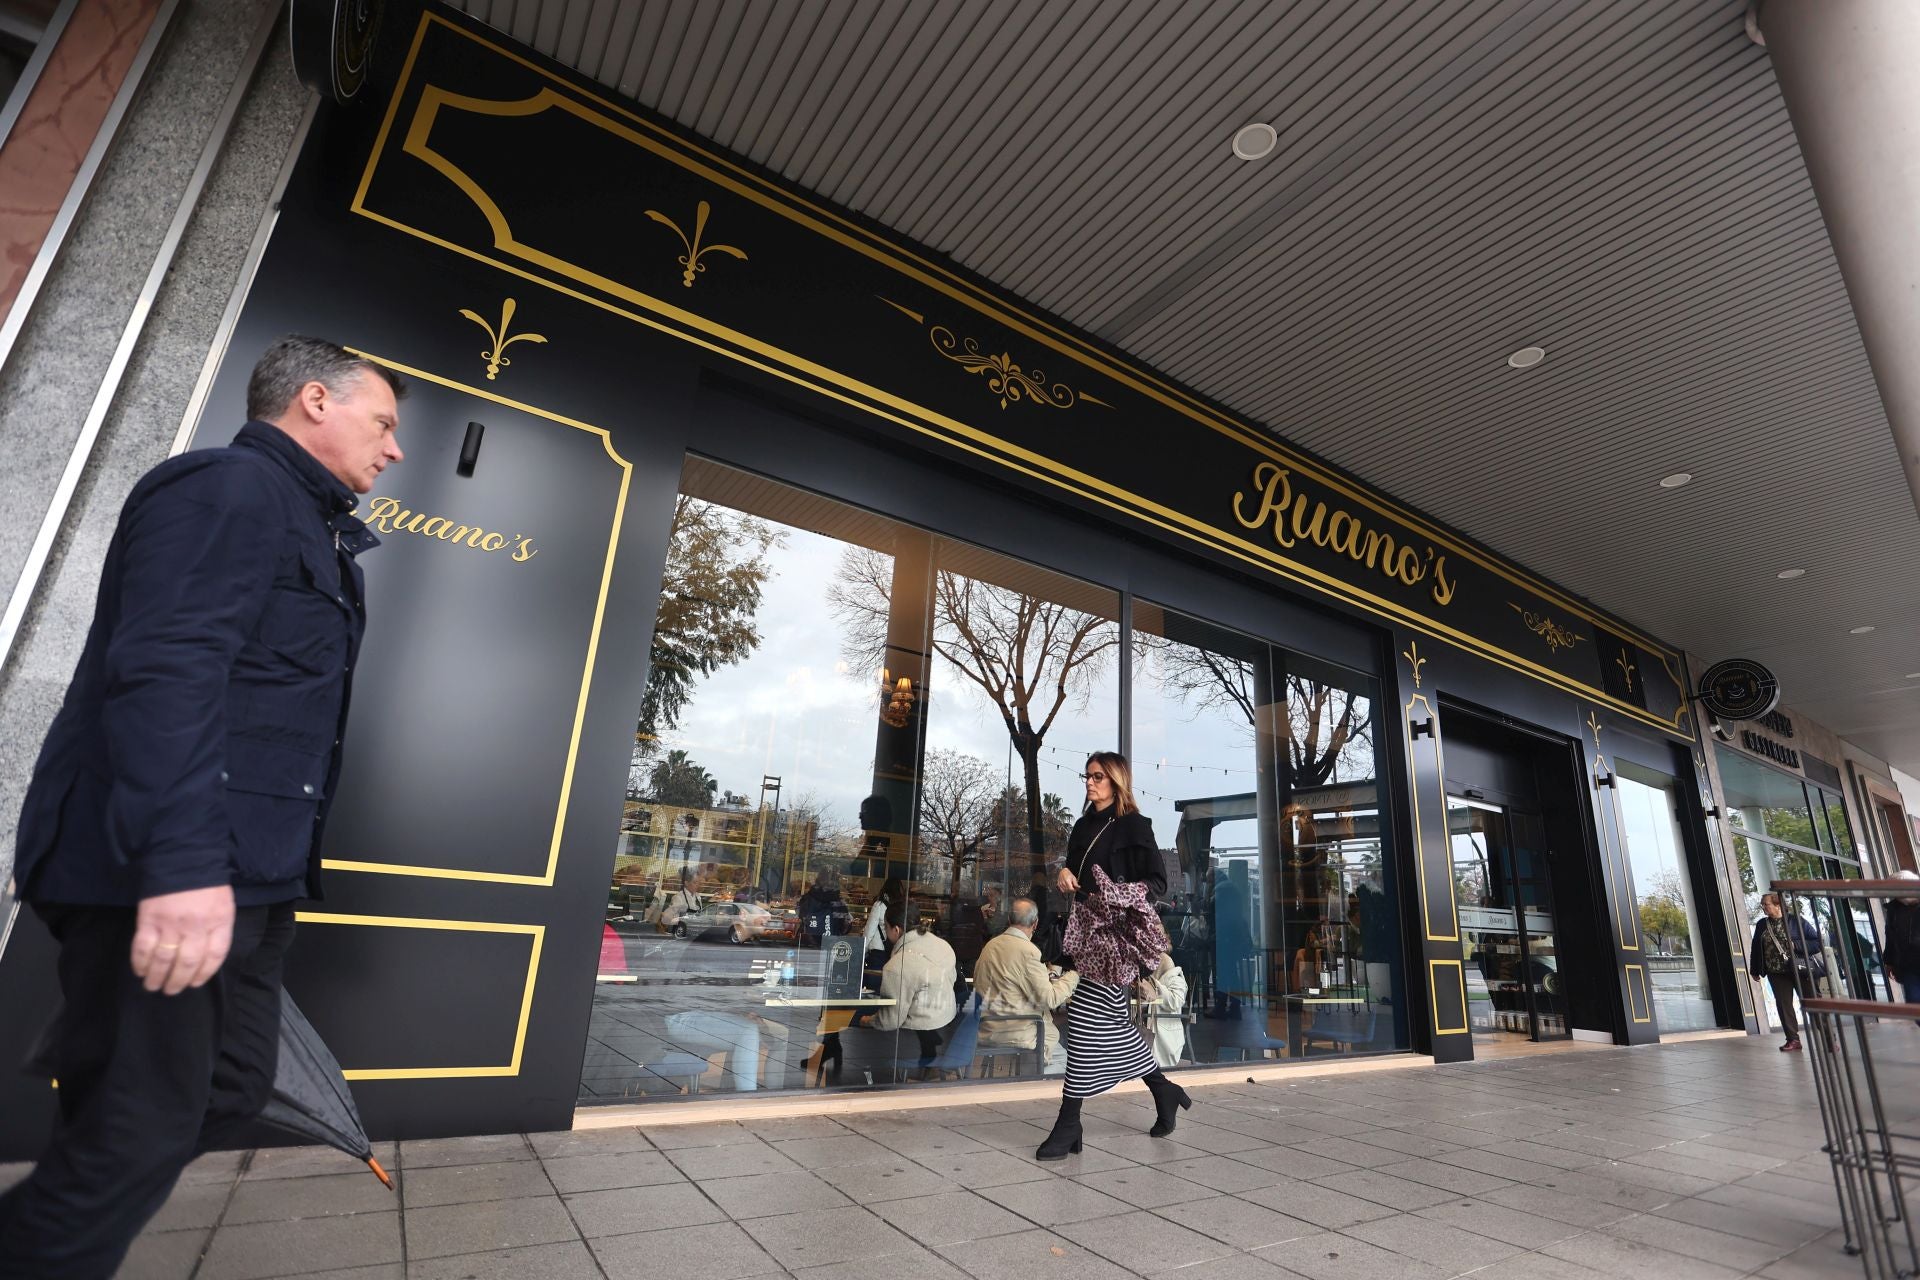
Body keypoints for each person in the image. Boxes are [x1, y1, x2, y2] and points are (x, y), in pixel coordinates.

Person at [0, 337, 404, 1277]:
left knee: (220, 1091)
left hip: (255, 875)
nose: (392, 449)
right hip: (183, 866)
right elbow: (168, 673)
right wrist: (181, 867)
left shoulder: (312, 526)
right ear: (314, 400)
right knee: (140, 1127)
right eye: (382, 423)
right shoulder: (225, 489)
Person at [1038, 751, 1189, 1160]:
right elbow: (1073, 871)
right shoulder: (1083, 825)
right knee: (1110, 1021)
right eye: (1087, 776)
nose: (1090, 783)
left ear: (1117, 781)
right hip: (1086, 932)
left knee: (1086, 1019)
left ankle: (1069, 1122)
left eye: (1099, 776)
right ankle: (1164, 1091)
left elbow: (1157, 883)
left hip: (1117, 937)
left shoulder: (1134, 826)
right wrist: (1064, 875)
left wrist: (1117, 893)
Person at [976, 897, 1079, 1074]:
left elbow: (1013, 982)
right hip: (1019, 1032)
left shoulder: (989, 947)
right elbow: (1051, 999)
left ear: (1009, 920)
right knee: (1068, 1067)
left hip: (988, 1028)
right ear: (1035, 923)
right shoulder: (1028, 951)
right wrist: (1076, 974)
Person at [870, 905, 957, 1072]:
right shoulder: (943, 946)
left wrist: (867, 1020)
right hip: (946, 1029)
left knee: (861, 1024)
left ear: (896, 929)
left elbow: (889, 1021)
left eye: (885, 927)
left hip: (913, 1042)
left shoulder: (898, 965)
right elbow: (951, 980)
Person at [1749, 891, 1824, 1053]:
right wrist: (1754, 969)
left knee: (1812, 1003)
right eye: (1762, 904)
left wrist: (1796, 945)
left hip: (1801, 970)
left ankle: (1828, 1038)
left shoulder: (1796, 921)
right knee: (1784, 1006)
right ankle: (1793, 1040)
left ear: (1778, 905)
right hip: (1776, 972)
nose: (1763, 907)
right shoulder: (1762, 924)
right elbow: (1756, 947)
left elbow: (1817, 942)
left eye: (1766, 904)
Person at [1879, 869, 1920, 1005]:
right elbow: (1890, 936)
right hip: (1909, 965)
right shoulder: (1894, 910)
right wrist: (1889, 961)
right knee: (1914, 1003)